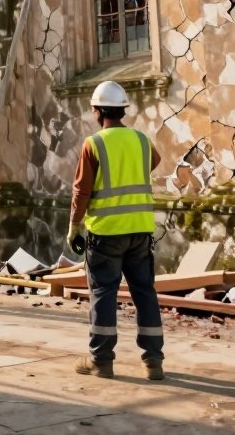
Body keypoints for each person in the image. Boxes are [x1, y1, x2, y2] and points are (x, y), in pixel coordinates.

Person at [68, 81, 164, 381]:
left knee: (103, 293)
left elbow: (82, 190)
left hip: (106, 234)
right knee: (145, 293)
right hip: (140, 230)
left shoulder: (93, 143)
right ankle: (153, 361)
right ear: (123, 110)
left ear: (97, 111)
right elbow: (155, 161)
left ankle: (101, 360)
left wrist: (74, 226)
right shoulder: (141, 140)